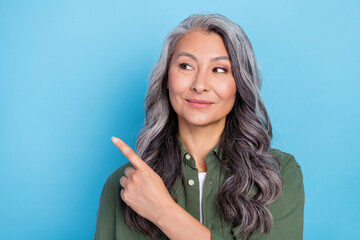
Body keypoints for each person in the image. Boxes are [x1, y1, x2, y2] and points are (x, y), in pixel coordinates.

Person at [94, 13, 305, 240]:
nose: (200, 85)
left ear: (240, 84)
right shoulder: (124, 185)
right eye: (186, 66)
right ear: (166, 78)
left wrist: (163, 211)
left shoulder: (276, 175)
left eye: (219, 69)